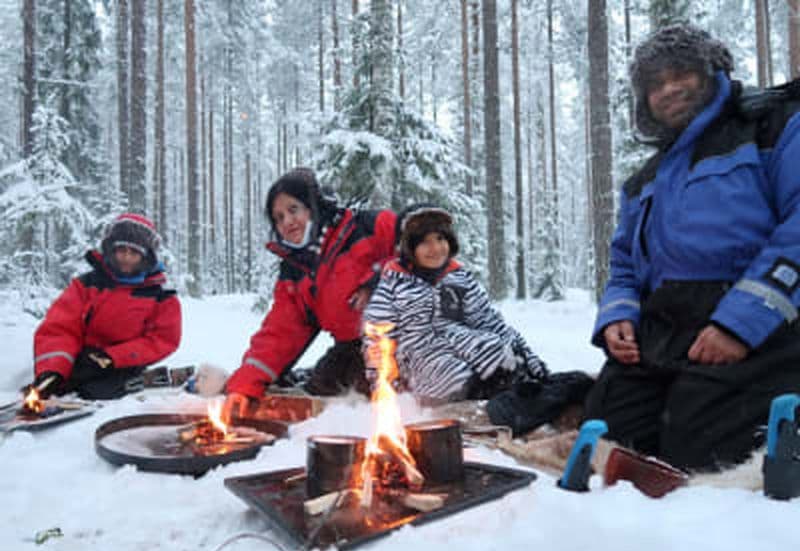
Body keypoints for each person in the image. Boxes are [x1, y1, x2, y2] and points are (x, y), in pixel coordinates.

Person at [586, 24, 800, 470]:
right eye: (655, 84)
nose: (669, 89)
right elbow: (624, 261)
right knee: (609, 436)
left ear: (712, 71)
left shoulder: (773, 127)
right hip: (667, 326)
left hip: (769, 320)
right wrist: (618, 315)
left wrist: (740, 324)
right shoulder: (646, 179)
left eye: (681, 73)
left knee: (700, 450)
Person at [224, 168, 397, 413]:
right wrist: (244, 385)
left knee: (372, 400)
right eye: (279, 218)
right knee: (317, 398)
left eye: (293, 210)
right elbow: (280, 332)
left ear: (313, 207)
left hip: (407, 341)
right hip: (352, 349)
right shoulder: (296, 270)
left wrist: (378, 277)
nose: (287, 222)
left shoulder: (368, 227)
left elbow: (425, 248)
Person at [362, 205, 550, 406]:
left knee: (497, 350)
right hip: (417, 359)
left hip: (459, 343)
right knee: (452, 374)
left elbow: (488, 320)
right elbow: (376, 338)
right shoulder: (394, 283)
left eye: (440, 239)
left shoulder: (458, 278)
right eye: (425, 242)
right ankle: (470, 406)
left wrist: (525, 354)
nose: (435, 249)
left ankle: (510, 395)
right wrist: (383, 385)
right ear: (408, 248)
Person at [29, 213, 182, 400]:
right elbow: (59, 329)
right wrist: (53, 369)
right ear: (111, 250)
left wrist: (111, 357)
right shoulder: (86, 285)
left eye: (134, 253)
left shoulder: (161, 295)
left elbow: (162, 340)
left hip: (125, 365)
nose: (126, 257)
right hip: (82, 360)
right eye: (121, 250)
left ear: (146, 257)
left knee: (92, 393)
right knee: (54, 386)